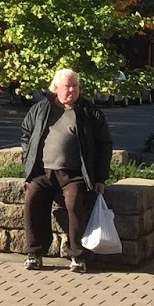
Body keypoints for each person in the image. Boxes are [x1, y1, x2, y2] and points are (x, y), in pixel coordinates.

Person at [17, 67, 113, 273]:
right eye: (68, 86)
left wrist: (100, 178)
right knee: (32, 201)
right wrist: (28, 160)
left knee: (75, 203)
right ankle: (35, 253)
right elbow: (26, 133)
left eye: (75, 86)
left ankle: (77, 256)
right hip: (42, 173)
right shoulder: (41, 109)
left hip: (74, 175)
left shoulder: (89, 112)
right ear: (56, 88)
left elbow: (104, 145)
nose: (72, 90)